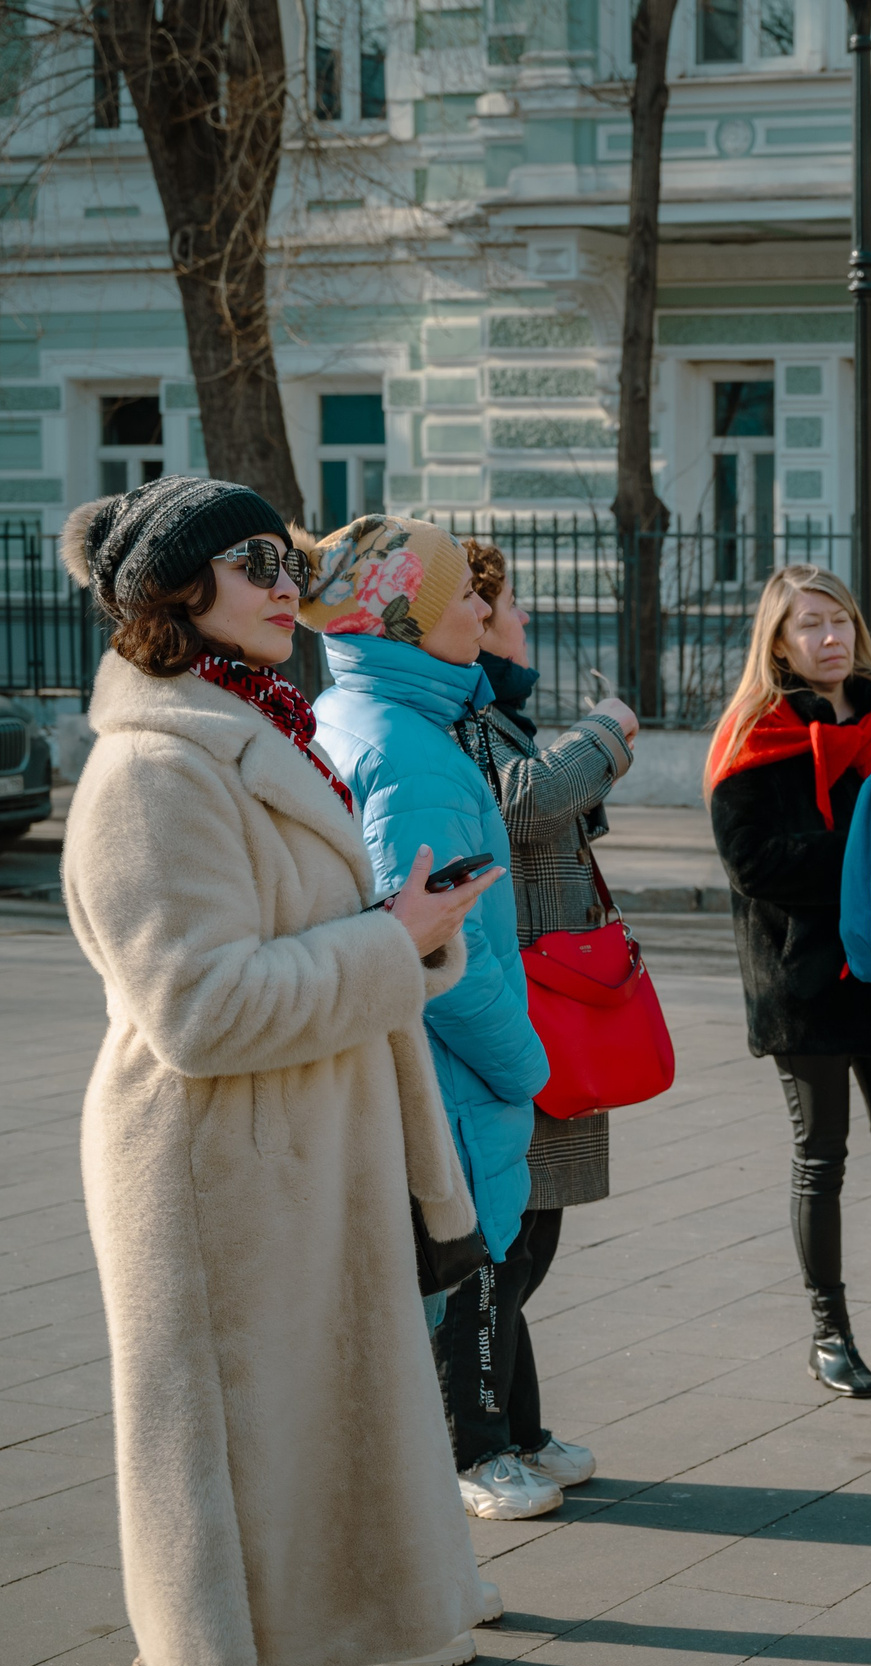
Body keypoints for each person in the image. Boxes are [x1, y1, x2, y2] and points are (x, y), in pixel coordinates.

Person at [59, 478, 503, 1666]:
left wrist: (405, 933)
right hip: (211, 1167)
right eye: (249, 562)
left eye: (281, 556)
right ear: (175, 592)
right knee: (220, 1461)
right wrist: (389, 942)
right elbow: (198, 1010)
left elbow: (290, 945)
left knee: (287, 1452)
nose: (280, 582)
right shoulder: (153, 771)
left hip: (293, 1148)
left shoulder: (257, 721)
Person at [308, 517, 565, 1521]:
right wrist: (525, 1062)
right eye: (462, 592)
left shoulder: (372, 715)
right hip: (452, 1082)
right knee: (442, 1299)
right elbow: (437, 951)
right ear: (401, 615)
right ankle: (412, 1539)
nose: (482, 607)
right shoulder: (411, 753)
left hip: (424, 1072)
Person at [430, 537, 637, 1496]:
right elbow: (516, 805)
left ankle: (519, 1425)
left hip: (553, 991)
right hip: (521, 997)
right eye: (505, 606)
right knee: (506, 1242)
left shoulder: (493, 713)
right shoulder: (463, 718)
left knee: (529, 1231)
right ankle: (471, 1444)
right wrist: (600, 736)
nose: (518, 623)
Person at [706, 564, 871, 1399]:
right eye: (810, 625)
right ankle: (829, 1331)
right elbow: (754, 863)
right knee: (821, 1159)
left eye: (839, 620)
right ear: (780, 642)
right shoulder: (753, 733)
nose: (830, 637)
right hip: (801, 979)